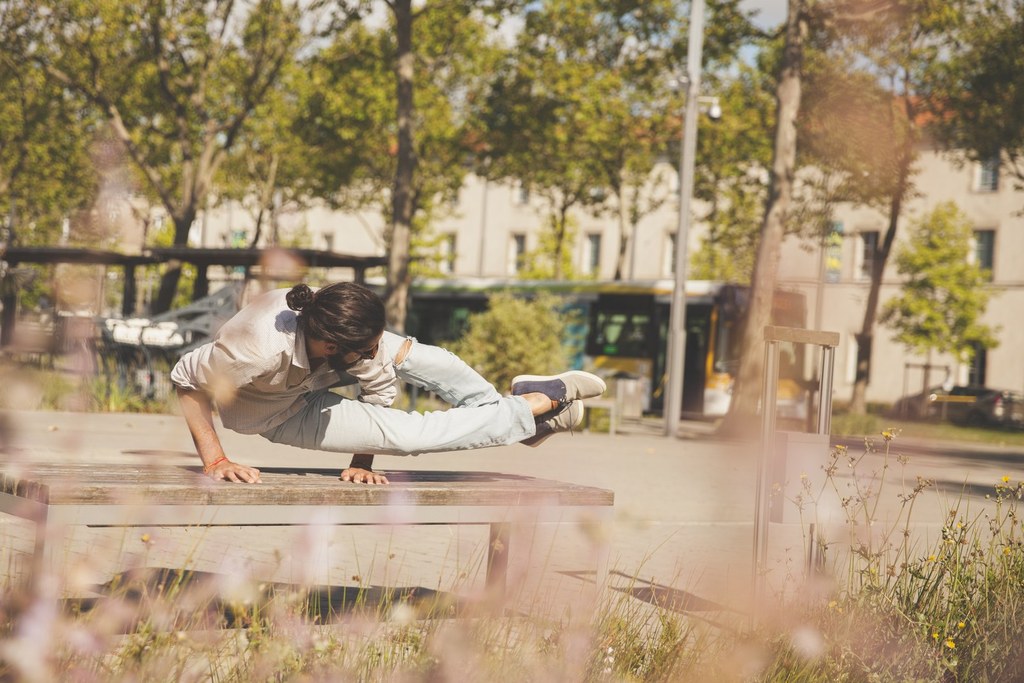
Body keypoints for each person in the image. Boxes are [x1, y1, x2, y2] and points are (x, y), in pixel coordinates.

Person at [170, 281, 606, 484]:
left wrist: (362, 463)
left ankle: (526, 414)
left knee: (411, 355)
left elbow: (378, 394)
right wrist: (216, 461)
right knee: (408, 436)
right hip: (278, 412)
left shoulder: (338, 313)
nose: (379, 353)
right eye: (368, 348)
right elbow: (186, 380)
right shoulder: (253, 348)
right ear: (330, 345)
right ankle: (530, 409)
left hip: (317, 369)